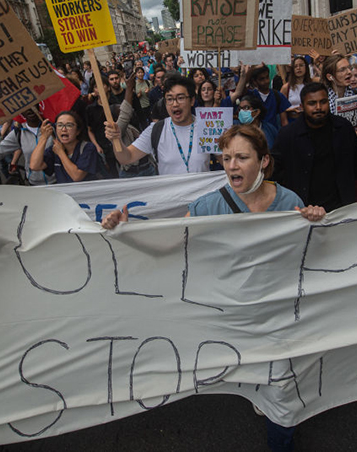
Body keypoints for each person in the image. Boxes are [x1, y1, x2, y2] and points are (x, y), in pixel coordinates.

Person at [101, 124, 325, 452]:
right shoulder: (207, 206)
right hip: (232, 316)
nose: (232, 165)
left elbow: (312, 259)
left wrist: (316, 224)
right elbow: (169, 244)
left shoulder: (290, 202)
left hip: (278, 318)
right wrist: (125, 229)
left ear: (263, 161)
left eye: (242, 157)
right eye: (226, 157)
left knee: (282, 395)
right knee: (251, 378)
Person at [272, 83, 357, 212]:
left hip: (340, 205)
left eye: (323, 102)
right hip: (304, 208)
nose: (318, 107)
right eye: (312, 103)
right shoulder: (288, 135)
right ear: (302, 106)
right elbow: (275, 170)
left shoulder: (343, 128)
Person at [106, 75, 210, 176]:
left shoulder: (206, 127)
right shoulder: (156, 130)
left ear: (192, 100)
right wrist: (116, 140)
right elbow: (126, 158)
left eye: (180, 98)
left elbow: (224, 160)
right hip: (171, 194)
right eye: (169, 99)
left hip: (203, 193)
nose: (175, 104)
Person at [30, 111, 98, 183]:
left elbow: (77, 176)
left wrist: (61, 153)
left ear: (78, 131)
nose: (64, 129)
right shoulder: (55, 149)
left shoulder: (88, 148)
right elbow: (34, 166)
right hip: (64, 193)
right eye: (59, 125)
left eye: (69, 125)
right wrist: (44, 137)